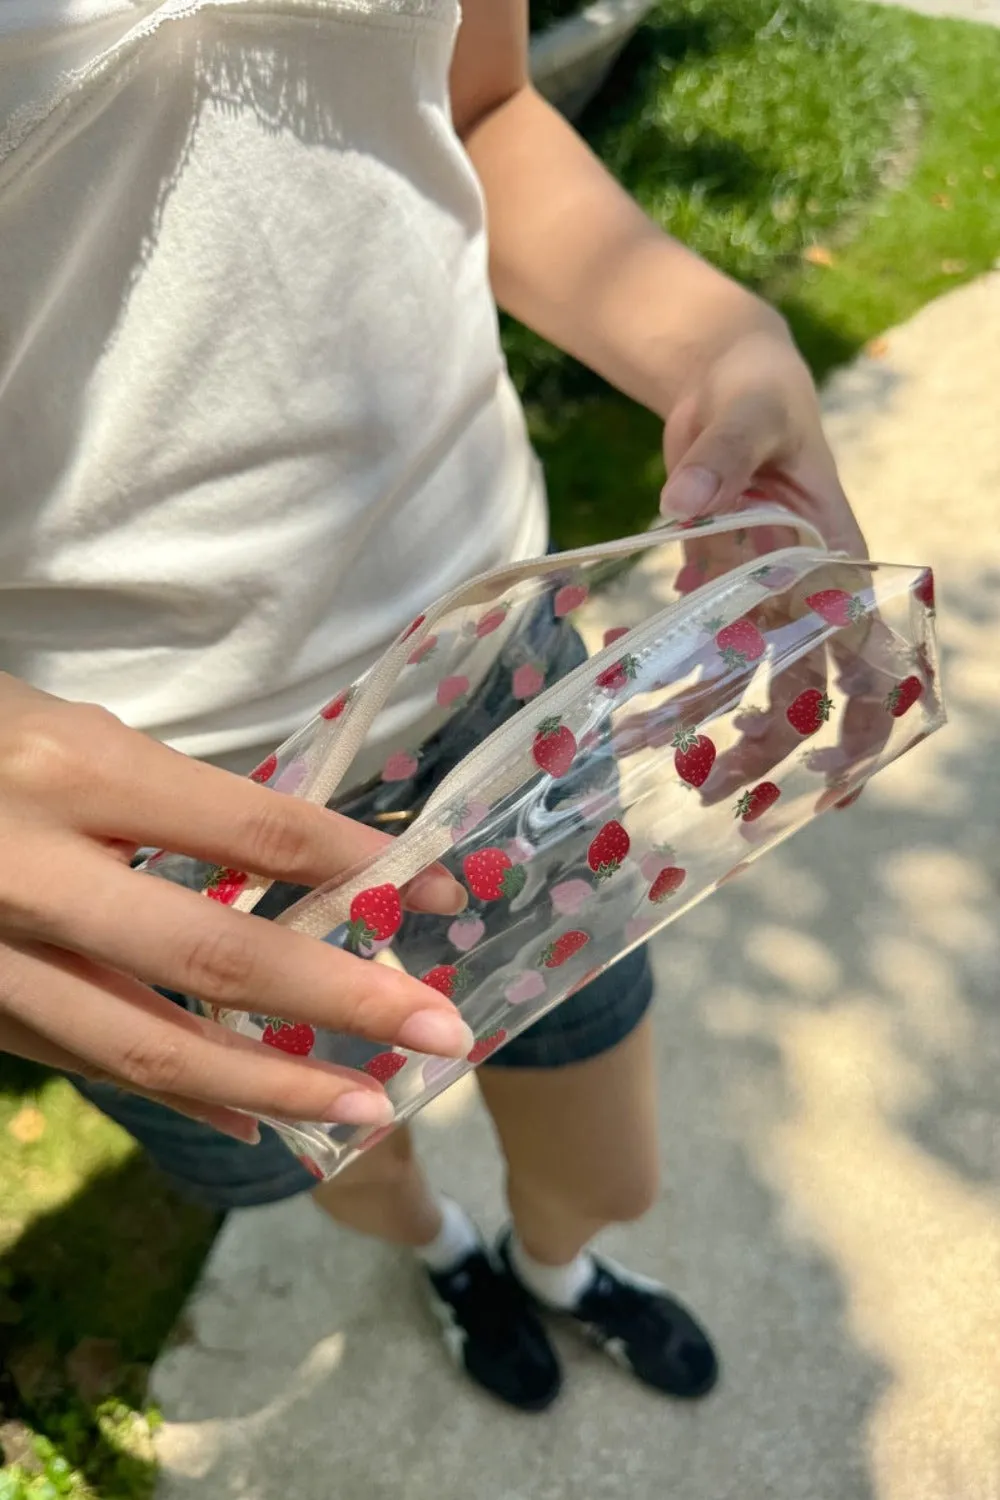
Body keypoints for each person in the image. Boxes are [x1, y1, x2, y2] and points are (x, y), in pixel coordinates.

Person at [0, 0, 867, 1412]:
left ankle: (559, 1268)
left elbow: (473, 110)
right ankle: (450, 1259)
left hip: (499, 691)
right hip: (142, 854)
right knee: (347, 1150)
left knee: (607, 1163)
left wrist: (707, 333)